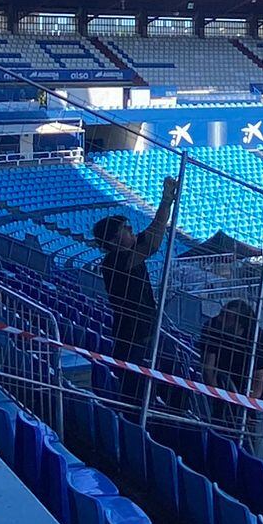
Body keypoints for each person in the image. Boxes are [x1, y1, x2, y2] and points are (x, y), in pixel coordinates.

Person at [92, 176, 181, 414]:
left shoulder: (124, 254)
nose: (132, 231)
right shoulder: (118, 261)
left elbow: (152, 233)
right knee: (136, 396)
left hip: (140, 334)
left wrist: (167, 203)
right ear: (113, 240)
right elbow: (152, 242)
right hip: (134, 339)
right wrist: (165, 201)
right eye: (126, 229)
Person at [199, 297, 263, 436]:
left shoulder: (256, 337)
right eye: (222, 313)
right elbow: (207, 369)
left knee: (248, 424)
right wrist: (219, 397)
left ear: (240, 324)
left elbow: (258, 381)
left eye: (227, 317)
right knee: (219, 423)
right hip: (221, 384)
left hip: (245, 388)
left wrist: (245, 404)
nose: (220, 319)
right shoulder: (212, 326)